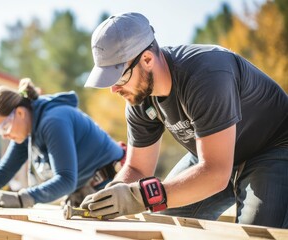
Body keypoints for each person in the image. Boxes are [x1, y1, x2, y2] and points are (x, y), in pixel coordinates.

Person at [80, 12, 288, 228]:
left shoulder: (206, 75)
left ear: (147, 59)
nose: (114, 89)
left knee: (257, 232)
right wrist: (112, 194)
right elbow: (139, 169)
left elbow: (215, 173)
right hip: (212, 155)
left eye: (119, 77)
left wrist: (140, 197)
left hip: (273, 147)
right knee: (165, 221)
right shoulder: (139, 97)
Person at [0, 78, 126, 208]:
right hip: (87, 189)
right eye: (0, 131)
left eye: (5, 127)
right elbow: (5, 170)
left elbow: (66, 179)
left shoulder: (53, 121)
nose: (5, 136)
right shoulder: (28, 129)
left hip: (115, 184)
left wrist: (21, 199)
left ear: (20, 113)